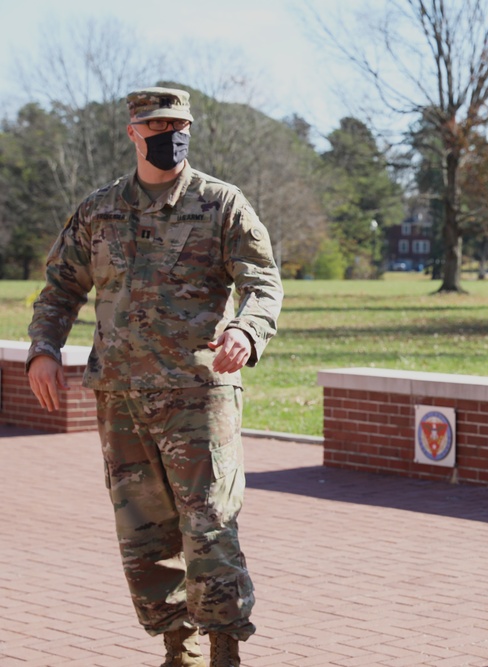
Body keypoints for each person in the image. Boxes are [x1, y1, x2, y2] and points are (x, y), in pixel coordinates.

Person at [26, 86, 283, 667]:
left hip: (199, 394)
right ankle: (178, 648)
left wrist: (246, 331)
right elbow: (61, 287)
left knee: (210, 525)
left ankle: (223, 650)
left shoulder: (222, 203)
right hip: (122, 397)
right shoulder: (99, 210)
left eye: (179, 123)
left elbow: (262, 283)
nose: (170, 134)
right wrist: (44, 349)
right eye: (157, 125)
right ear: (133, 133)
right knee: (144, 533)